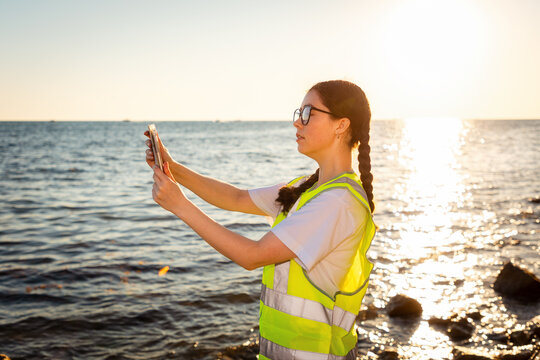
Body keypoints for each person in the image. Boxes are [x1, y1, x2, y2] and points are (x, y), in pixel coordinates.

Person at [145, 79, 377, 360]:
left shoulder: (338, 202)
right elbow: (236, 198)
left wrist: (180, 205)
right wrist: (173, 168)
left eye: (308, 114)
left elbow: (252, 256)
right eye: (298, 113)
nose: (297, 123)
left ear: (341, 125)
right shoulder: (309, 188)